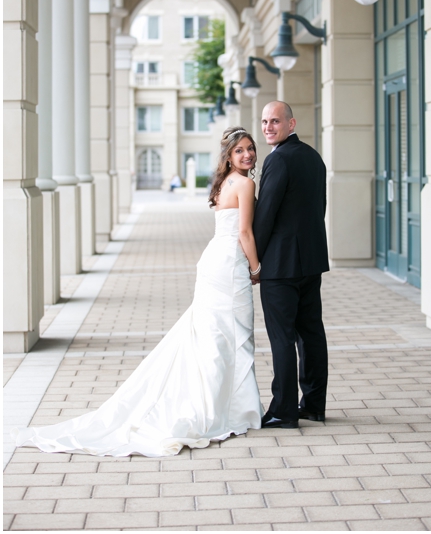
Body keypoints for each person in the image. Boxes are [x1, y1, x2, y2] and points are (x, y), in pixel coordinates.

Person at [13, 127, 265, 457]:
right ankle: (237, 410)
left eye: (250, 149)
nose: (247, 154)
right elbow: (244, 232)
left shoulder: (225, 183)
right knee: (236, 334)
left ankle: (228, 405)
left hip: (212, 263)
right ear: (229, 156)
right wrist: (257, 269)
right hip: (229, 267)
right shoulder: (245, 183)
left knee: (212, 335)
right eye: (240, 151)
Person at [253, 101, 330, 429]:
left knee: (282, 337)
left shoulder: (278, 159)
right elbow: (319, 207)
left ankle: (284, 410)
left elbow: (265, 214)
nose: (268, 127)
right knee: (311, 333)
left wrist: (253, 260)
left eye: (275, 121)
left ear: (291, 123)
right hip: (311, 261)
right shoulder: (314, 157)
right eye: (264, 121)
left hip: (281, 266)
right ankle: (313, 405)